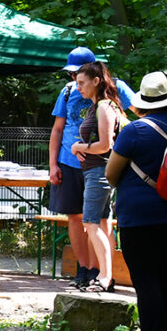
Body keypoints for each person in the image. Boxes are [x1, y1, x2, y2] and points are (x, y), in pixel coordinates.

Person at [106, 72, 167, 331]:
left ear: (143, 102)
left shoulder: (134, 131)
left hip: (139, 216)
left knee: (146, 280)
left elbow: (110, 174)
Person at [50, 47, 137, 289]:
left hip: (99, 166)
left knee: (96, 221)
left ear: (94, 75)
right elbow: (57, 129)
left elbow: (133, 119)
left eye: (78, 76)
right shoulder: (73, 94)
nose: (74, 82)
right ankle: (86, 271)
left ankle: (102, 274)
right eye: (72, 77)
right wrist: (54, 163)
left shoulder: (107, 100)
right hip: (73, 164)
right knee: (82, 219)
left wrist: (81, 147)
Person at [71, 62, 126, 292]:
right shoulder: (106, 105)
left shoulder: (104, 107)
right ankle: (107, 277)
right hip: (100, 173)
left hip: (98, 174)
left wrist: (78, 147)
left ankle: (104, 276)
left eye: (82, 83)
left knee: (90, 224)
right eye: (76, 84)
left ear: (96, 81)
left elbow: (106, 145)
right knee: (103, 224)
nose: (78, 88)